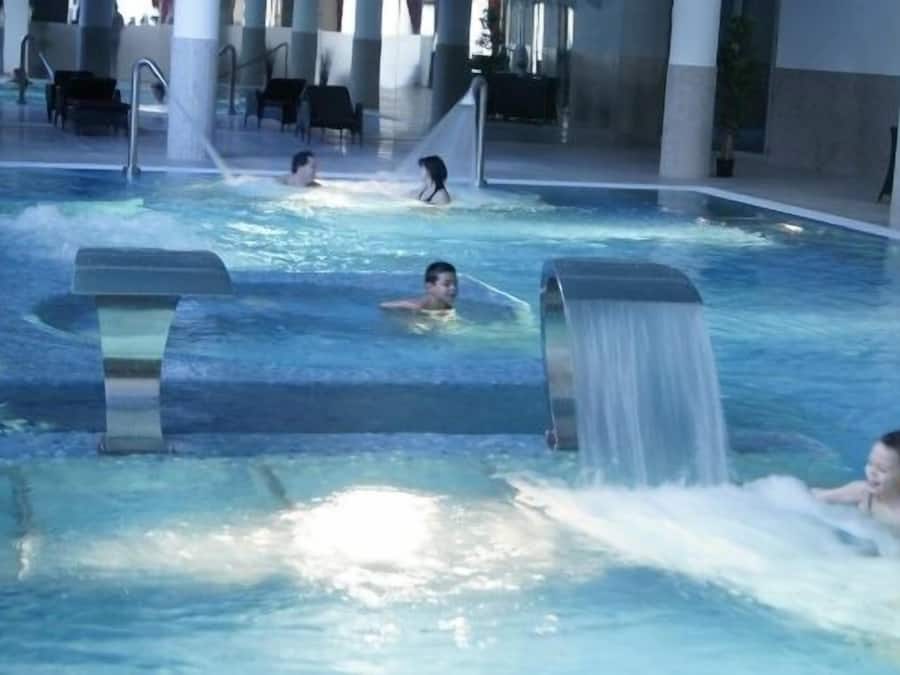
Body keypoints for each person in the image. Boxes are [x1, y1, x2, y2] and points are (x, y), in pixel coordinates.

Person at [813, 430, 900, 529]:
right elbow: (815, 497)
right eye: (870, 463)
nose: (872, 472)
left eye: (882, 469)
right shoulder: (863, 493)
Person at [381, 261, 458, 312]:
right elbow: (383, 305)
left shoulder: (448, 307)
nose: (453, 288)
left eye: (455, 284)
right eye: (447, 284)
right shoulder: (416, 306)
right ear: (430, 287)